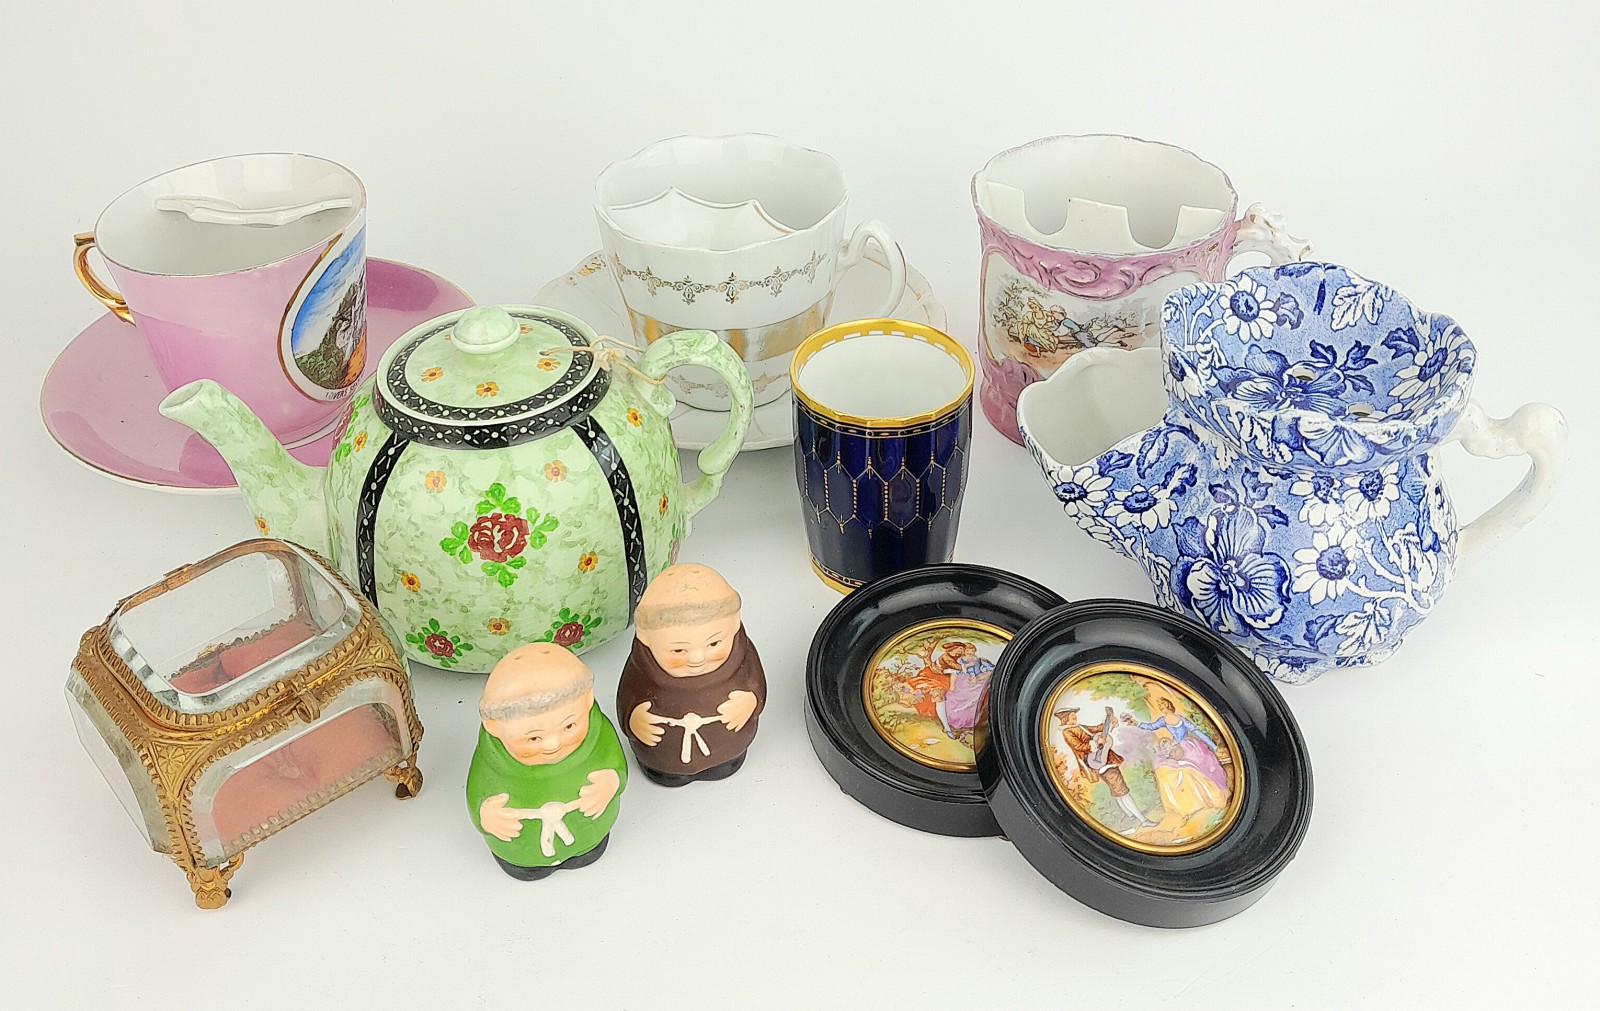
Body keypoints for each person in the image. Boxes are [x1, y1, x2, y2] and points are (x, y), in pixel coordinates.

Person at [466, 642, 627, 881]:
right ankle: (527, 864)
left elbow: (614, 762)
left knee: (589, 849)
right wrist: (486, 816)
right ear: (493, 727)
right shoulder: (492, 760)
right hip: (522, 848)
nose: (552, 744)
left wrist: (611, 781)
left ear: (587, 700)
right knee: (526, 867)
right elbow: (478, 790)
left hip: (589, 830)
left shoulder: (598, 733)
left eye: (569, 726)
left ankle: (587, 848)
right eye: (533, 738)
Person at [617, 563, 766, 787]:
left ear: (734, 624)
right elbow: (627, 695)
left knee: (725, 765)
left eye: (714, 643)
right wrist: (633, 719)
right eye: (678, 650)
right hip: (662, 758)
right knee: (667, 773)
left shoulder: (741, 656)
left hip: (728, 747)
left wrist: (751, 701)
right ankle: (666, 771)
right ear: (645, 638)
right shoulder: (642, 670)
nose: (697, 657)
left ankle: (724, 762)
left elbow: (755, 681)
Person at [1123, 697, 1228, 790]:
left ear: (1168, 705)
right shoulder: (1163, 720)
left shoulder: (1181, 719)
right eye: (1160, 706)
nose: (1161, 707)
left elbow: (1197, 731)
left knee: (1199, 764)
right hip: (1175, 746)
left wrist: (1214, 746)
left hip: (1188, 746)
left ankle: (1209, 788)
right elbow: (1151, 726)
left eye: (1162, 705)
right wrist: (1137, 723)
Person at [1150, 737, 1229, 842]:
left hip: (1194, 776)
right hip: (1183, 784)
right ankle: (1193, 808)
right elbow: (1172, 775)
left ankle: (1208, 801)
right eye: (1171, 753)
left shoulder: (1190, 748)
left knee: (1195, 776)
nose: (1175, 753)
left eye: (1175, 750)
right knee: (1189, 775)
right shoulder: (1165, 766)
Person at [939, 642, 994, 745]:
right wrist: (952, 685)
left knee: (974, 700)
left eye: (972, 651)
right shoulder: (960, 660)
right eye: (968, 650)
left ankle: (969, 724)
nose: (970, 652)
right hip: (962, 681)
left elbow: (990, 669)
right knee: (955, 699)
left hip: (975, 682)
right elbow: (955, 672)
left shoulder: (979, 660)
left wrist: (979, 677)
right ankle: (956, 723)